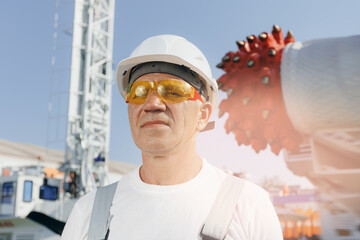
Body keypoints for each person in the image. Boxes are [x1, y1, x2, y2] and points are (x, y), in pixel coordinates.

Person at [61, 34, 283, 240]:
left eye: (173, 90)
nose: (152, 104)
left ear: (203, 115)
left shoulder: (248, 205)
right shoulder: (89, 212)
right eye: (139, 91)